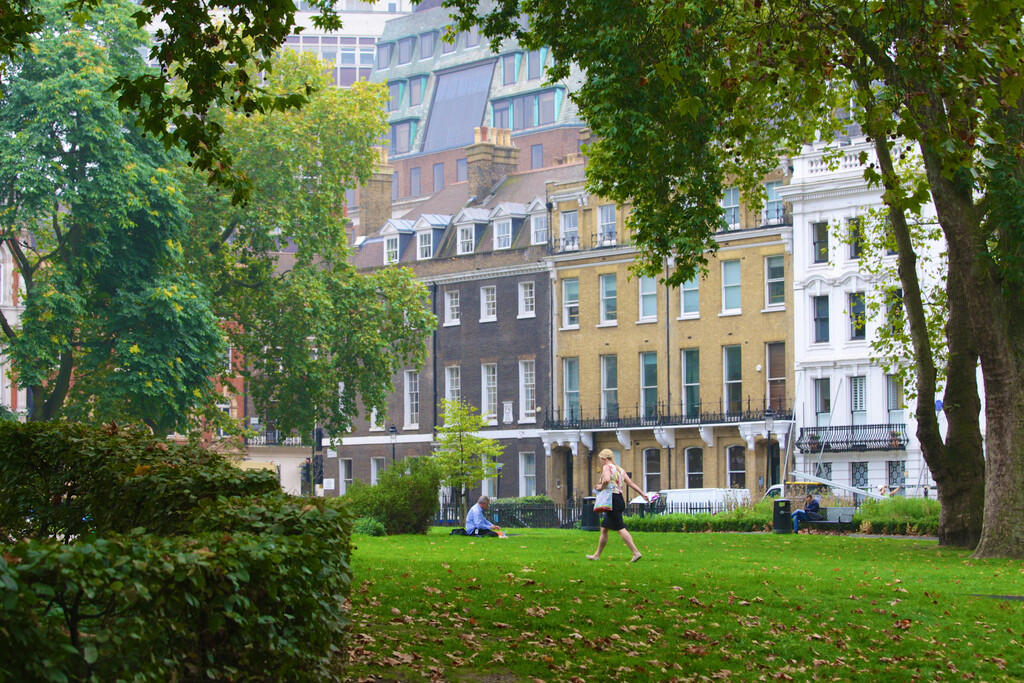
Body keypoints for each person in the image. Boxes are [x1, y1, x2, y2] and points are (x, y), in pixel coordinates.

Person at [587, 449, 648, 562]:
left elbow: (606, 479)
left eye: (601, 459)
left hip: (612, 499)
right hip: (619, 499)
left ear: (604, 459)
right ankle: (597, 555)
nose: (601, 462)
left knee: (620, 528)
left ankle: (636, 552)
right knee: (604, 528)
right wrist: (642, 494)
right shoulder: (620, 470)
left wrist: (600, 487)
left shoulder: (607, 467)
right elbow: (631, 483)